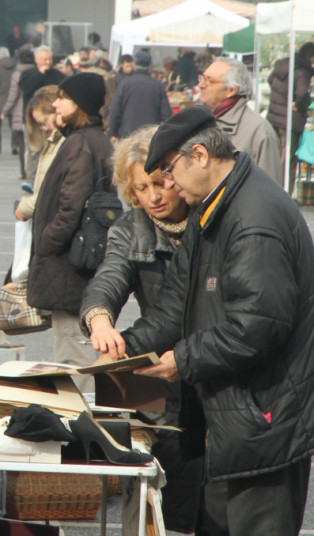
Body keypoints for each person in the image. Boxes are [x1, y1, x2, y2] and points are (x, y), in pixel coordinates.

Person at [108, 104, 314, 536]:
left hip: (264, 418)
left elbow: (258, 324)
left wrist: (181, 360)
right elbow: (174, 302)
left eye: (169, 170)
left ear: (199, 156)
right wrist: (125, 349)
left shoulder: (253, 217)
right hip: (230, 418)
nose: (168, 186)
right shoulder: (212, 206)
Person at [79, 126, 204, 533]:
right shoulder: (132, 228)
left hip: (213, 362)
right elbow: (110, 276)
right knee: (164, 486)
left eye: (160, 183)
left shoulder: (211, 221)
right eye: (141, 188)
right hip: (161, 377)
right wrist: (99, 318)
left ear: (179, 175)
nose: (153, 196)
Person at [26, 72, 114, 392]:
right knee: (79, 346)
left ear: (81, 105)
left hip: (69, 264)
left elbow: (70, 206)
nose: (57, 103)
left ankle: (80, 424)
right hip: (82, 259)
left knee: (72, 352)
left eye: (64, 98)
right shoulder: (94, 139)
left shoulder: (80, 143)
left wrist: (47, 242)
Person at [197, 58, 282, 184]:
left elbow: (270, 190)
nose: (201, 85)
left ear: (231, 90)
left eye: (210, 80)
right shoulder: (200, 121)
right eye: (202, 78)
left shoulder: (260, 131)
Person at [267, 42, 314, 186]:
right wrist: (302, 103)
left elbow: (270, 80)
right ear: (310, 57)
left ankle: (271, 190)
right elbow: (301, 94)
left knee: (274, 158)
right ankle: (283, 194)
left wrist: (283, 98)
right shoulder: (301, 71)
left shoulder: (283, 65)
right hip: (290, 120)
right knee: (288, 161)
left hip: (274, 116)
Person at [15, 86, 63, 222]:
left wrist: (26, 206)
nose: (45, 129)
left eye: (44, 123)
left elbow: (55, 194)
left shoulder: (67, 143)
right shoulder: (56, 141)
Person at [107, 50, 171, 142]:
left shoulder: (125, 84)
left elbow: (115, 110)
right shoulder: (157, 85)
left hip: (128, 135)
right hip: (150, 136)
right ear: (149, 66)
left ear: (134, 65)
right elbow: (166, 115)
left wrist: (113, 132)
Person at [1, 48, 36, 178]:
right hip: (36, 109)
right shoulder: (37, 72)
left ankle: (24, 172)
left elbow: (13, 95)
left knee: (22, 145)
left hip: (20, 111)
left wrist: (5, 110)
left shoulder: (17, 74)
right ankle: (33, 171)